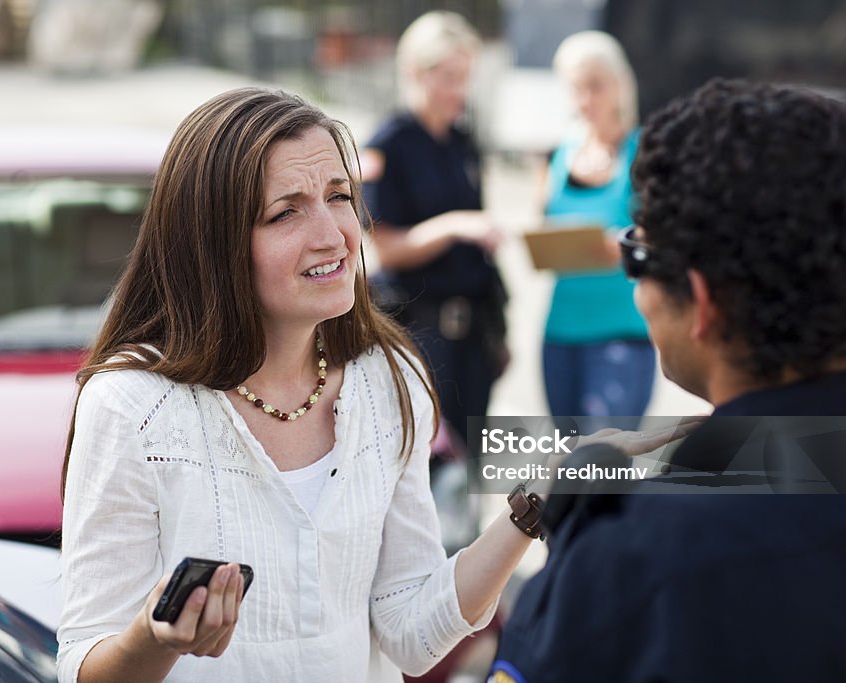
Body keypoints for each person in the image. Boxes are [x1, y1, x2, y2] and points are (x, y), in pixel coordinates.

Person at [56, 86, 545, 683]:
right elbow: (83, 664)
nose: (333, 235)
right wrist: (156, 639)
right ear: (213, 244)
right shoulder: (131, 403)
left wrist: (531, 509)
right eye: (286, 211)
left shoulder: (390, 379)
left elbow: (412, 634)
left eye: (339, 196)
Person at [490, 79, 846, 682]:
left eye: (635, 254)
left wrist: (568, 540)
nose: (635, 287)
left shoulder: (637, 563)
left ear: (702, 302)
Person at [361, 11, 507, 448]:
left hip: (474, 336)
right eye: (448, 77)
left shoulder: (463, 140)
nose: (459, 91)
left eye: (465, 78)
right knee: (425, 466)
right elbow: (383, 250)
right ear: (414, 72)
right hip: (420, 333)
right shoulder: (387, 144)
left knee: (472, 471)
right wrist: (454, 227)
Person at [538, 31, 653, 428]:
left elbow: (669, 239)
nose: (585, 99)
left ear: (620, 85)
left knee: (603, 462)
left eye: (595, 86)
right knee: (568, 462)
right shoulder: (561, 153)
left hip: (622, 331)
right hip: (561, 329)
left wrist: (621, 244)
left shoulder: (644, 152)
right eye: (576, 88)